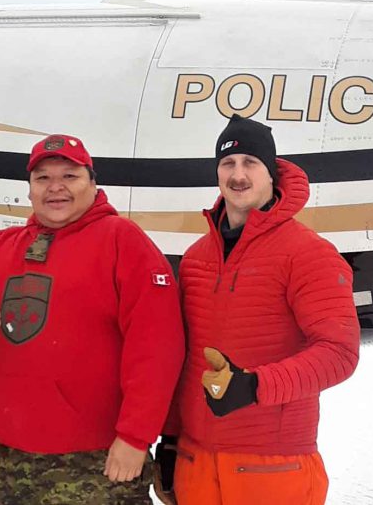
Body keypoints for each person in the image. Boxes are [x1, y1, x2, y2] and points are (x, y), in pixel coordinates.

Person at [0, 134, 185, 504]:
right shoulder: (2, 245)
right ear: (30, 190)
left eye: (70, 176)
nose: (56, 188)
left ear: (93, 183)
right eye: (43, 178)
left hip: (94, 464)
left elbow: (158, 348)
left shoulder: (123, 242)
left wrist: (135, 437)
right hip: (5, 459)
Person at [154, 114, 360, 505]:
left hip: (273, 468)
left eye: (251, 163)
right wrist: (170, 439)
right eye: (228, 164)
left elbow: (339, 354)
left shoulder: (308, 253)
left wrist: (255, 386)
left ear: (272, 174)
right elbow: (183, 360)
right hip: (196, 464)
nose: (238, 174)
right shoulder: (197, 259)